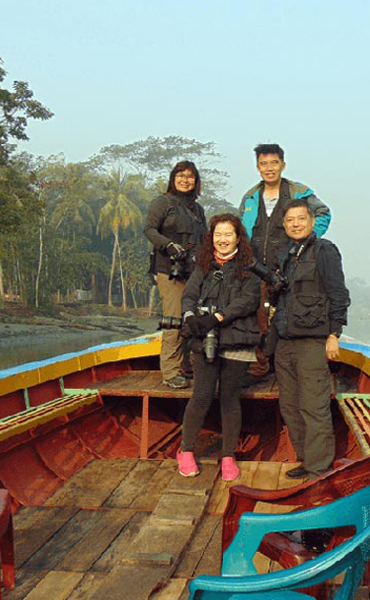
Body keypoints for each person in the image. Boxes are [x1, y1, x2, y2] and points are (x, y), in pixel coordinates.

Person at [175, 214, 266, 481]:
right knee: (201, 396)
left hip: (237, 338)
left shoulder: (248, 267)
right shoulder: (203, 266)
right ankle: (186, 451)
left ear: (238, 237)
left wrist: (217, 317)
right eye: (218, 235)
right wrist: (190, 317)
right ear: (211, 238)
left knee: (229, 398)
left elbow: (249, 301)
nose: (223, 240)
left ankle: (228, 455)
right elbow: (189, 294)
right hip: (205, 340)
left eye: (228, 234)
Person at [271, 200, 349, 480]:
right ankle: (306, 458)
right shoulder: (287, 255)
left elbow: (338, 293)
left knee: (313, 406)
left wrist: (334, 334)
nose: (295, 224)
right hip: (285, 342)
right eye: (290, 220)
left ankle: (319, 469)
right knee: (290, 406)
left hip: (313, 342)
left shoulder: (324, 251)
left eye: (300, 218)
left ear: (312, 221)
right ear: (284, 224)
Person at [143, 161, 207, 389]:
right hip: (169, 271)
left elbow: (205, 240)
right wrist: (168, 245)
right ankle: (170, 372)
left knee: (192, 320)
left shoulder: (198, 210)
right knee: (173, 320)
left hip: (194, 272)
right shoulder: (163, 202)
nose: (185, 180)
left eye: (190, 176)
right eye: (180, 175)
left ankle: (187, 367)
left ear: (196, 181)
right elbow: (149, 229)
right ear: (173, 178)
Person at [237, 143, 331, 265]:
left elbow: (323, 213)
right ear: (258, 168)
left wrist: (309, 238)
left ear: (283, 165)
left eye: (274, 163)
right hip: (254, 269)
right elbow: (239, 229)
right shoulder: (250, 198)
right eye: (264, 164)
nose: (269, 168)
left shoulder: (298, 193)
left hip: (291, 265)